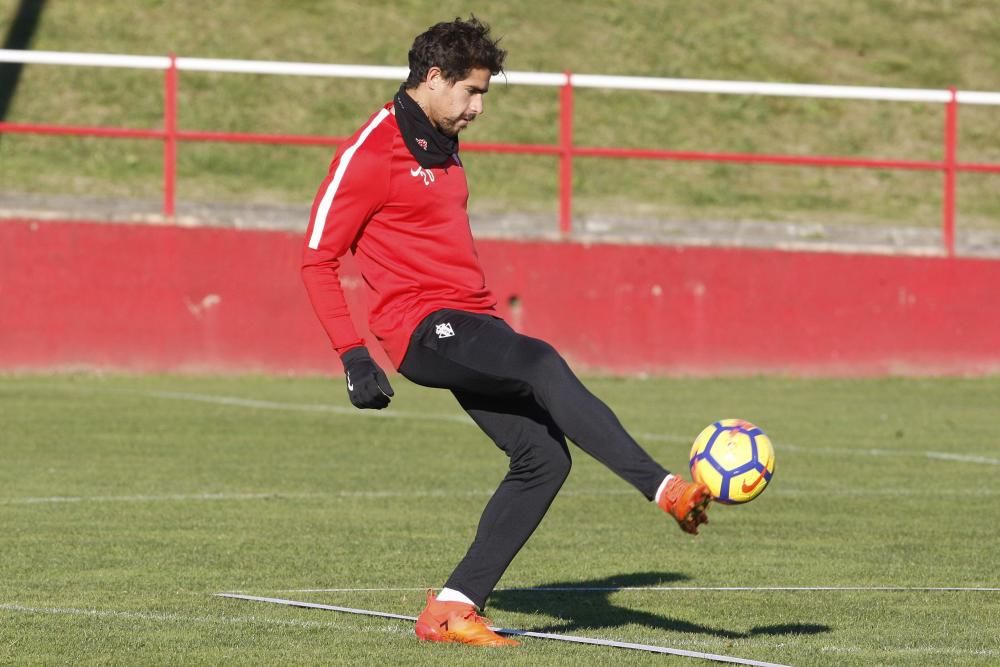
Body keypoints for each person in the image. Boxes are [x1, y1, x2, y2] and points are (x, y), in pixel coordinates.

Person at [301, 16, 711, 648]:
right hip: (420, 326)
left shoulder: (438, 137)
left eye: (485, 93)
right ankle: (664, 488)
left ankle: (451, 609)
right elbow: (316, 257)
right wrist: (353, 355)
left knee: (543, 459)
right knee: (541, 362)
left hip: (469, 319)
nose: (479, 108)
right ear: (432, 79)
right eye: (472, 91)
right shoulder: (369, 153)